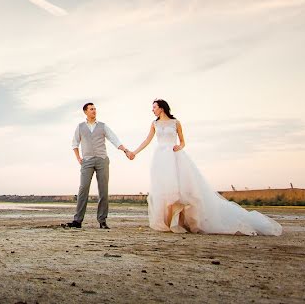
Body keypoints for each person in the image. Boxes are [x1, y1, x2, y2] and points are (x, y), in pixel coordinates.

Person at [130, 99, 282, 236]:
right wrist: (134, 152)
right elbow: (147, 140)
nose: (153, 110)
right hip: (161, 159)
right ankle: (169, 222)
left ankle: (179, 222)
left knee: (181, 190)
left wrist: (179, 147)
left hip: (174, 156)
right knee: (165, 190)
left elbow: (183, 142)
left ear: (162, 108)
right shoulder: (154, 124)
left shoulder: (175, 123)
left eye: (154, 107)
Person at [63, 103, 132, 229]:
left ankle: (102, 220)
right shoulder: (80, 127)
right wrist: (79, 158)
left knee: (103, 191)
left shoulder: (103, 126)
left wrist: (125, 150)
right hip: (87, 161)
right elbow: (74, 144)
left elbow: (114, 139)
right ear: (85, 112)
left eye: (95, 109)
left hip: (102, 160)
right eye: (91, 109)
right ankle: (77, 221)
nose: (94, 111)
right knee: (83, 189)